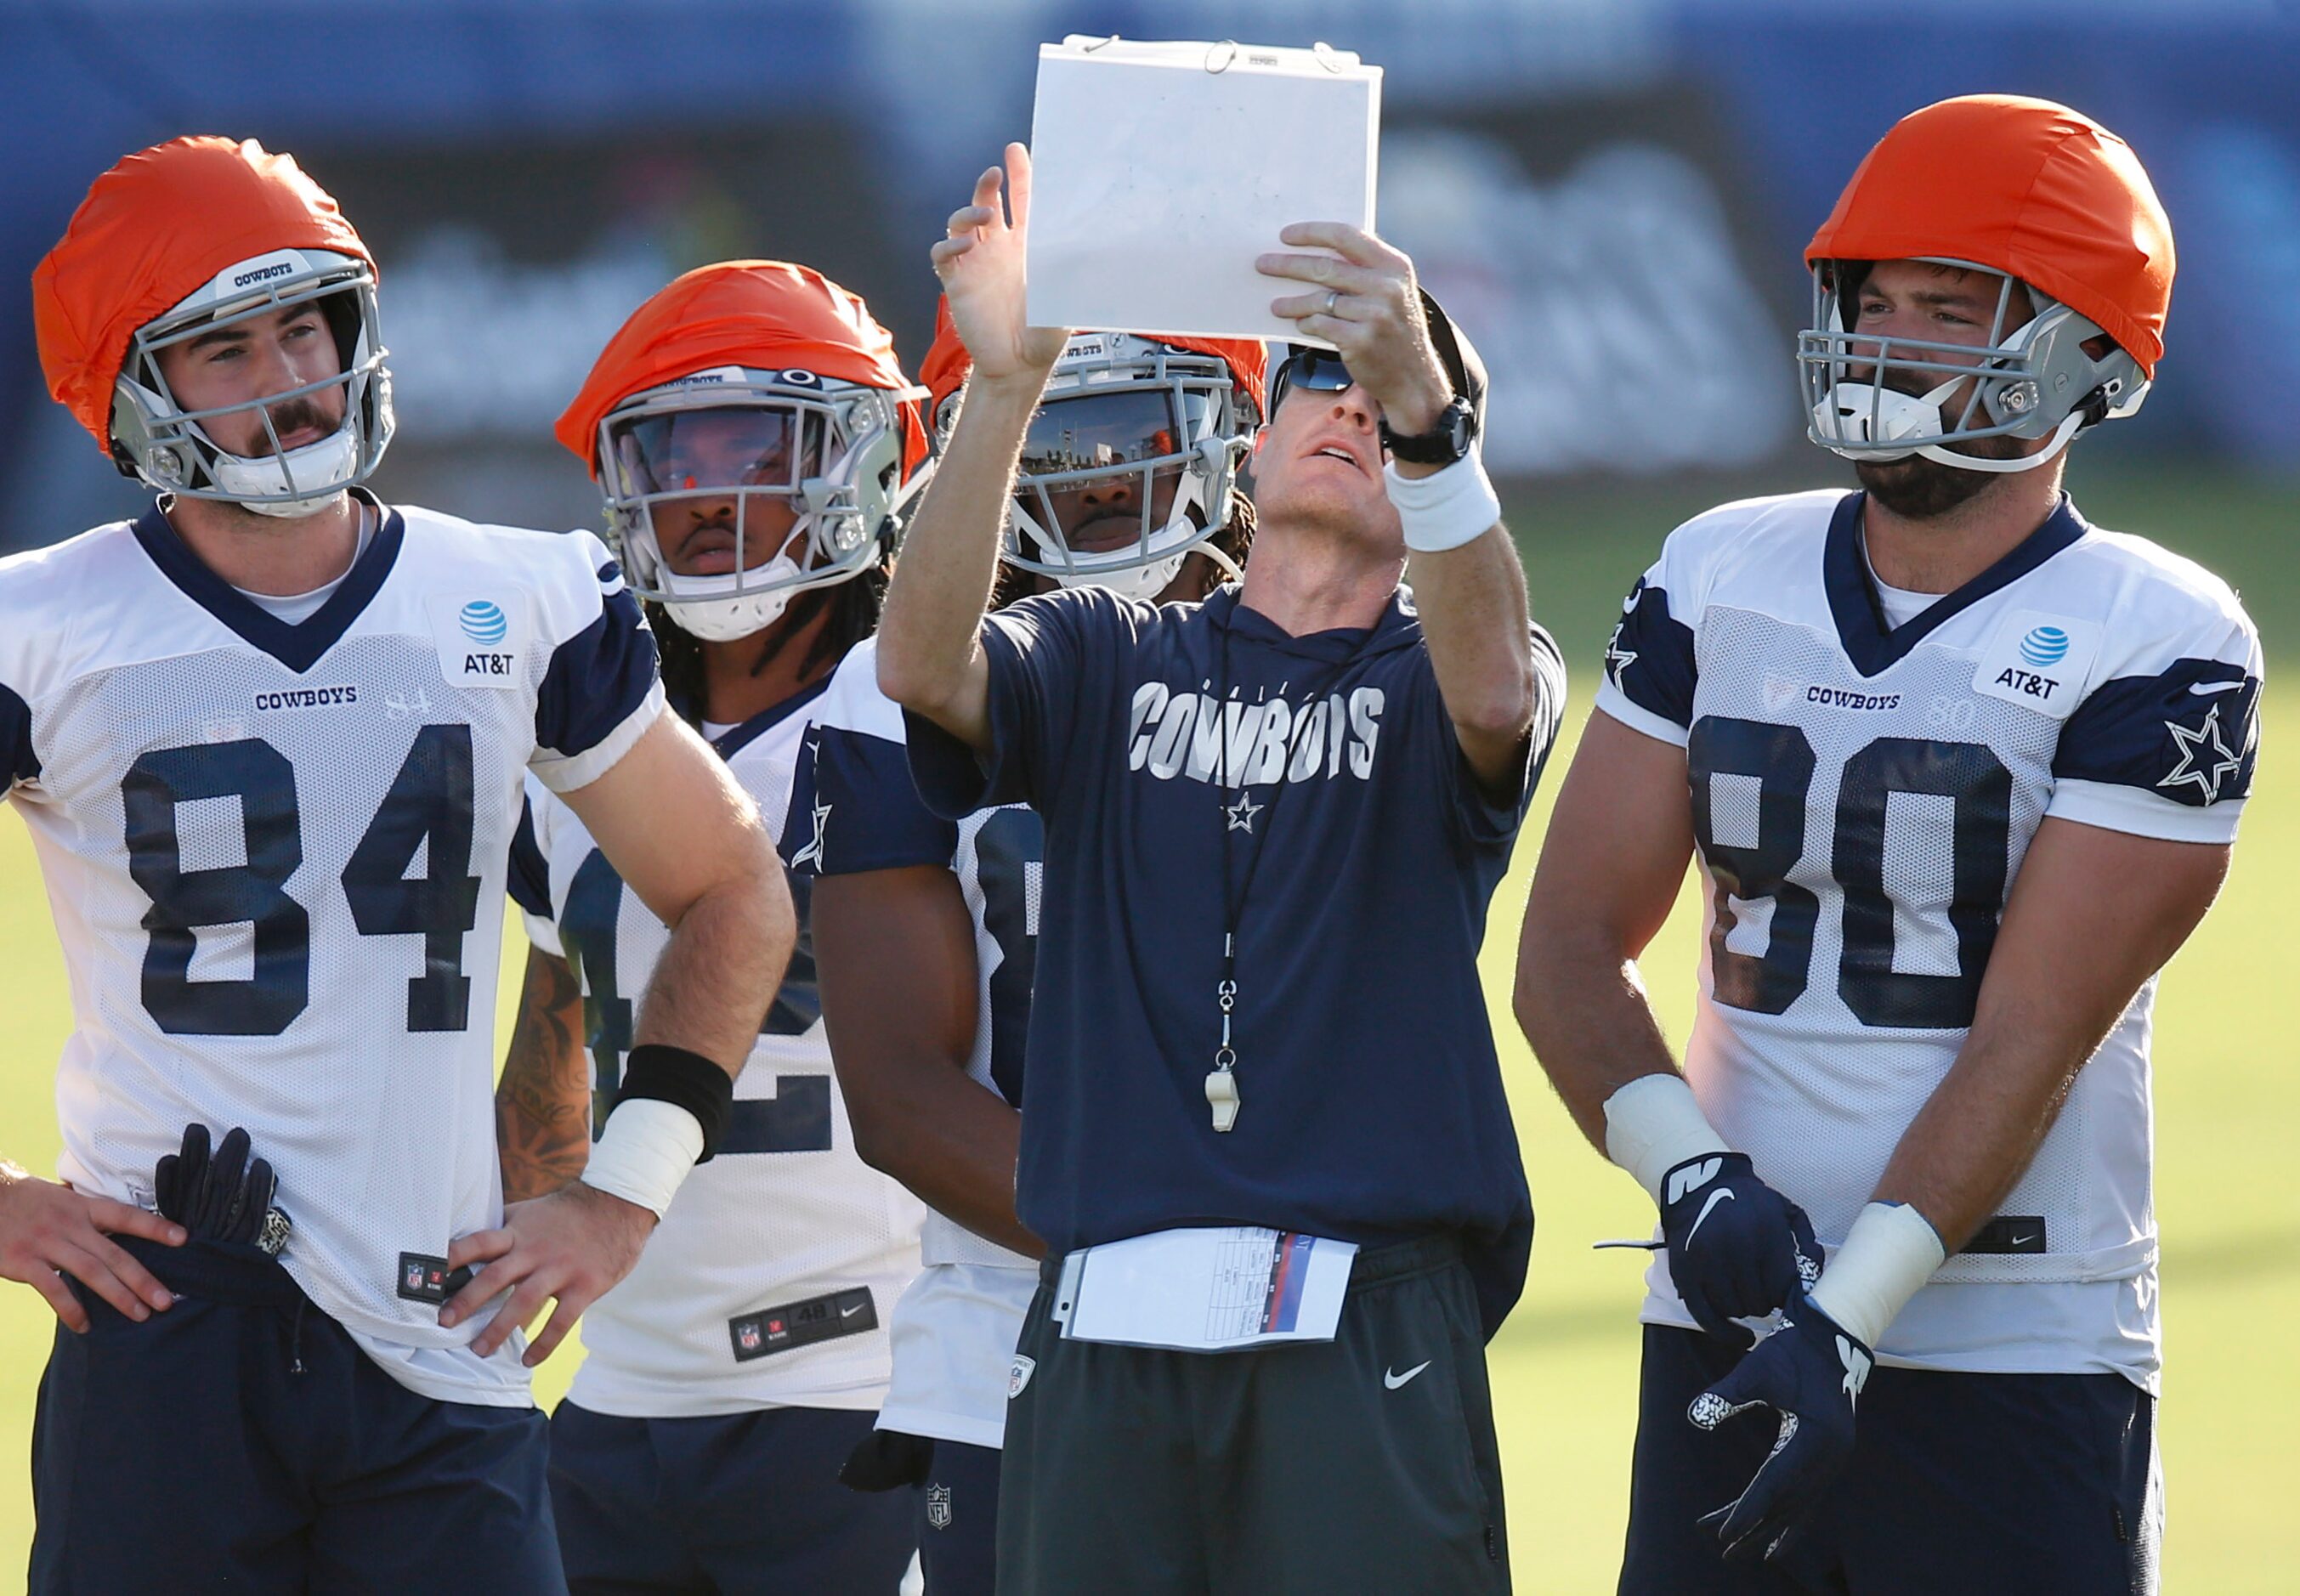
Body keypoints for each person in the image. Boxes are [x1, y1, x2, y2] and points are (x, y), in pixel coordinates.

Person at [6, 137, 792, 1592]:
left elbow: (731, 887)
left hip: (440, 1340)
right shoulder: (43, 625)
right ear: (129, 390)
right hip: (168, 1338)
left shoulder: (519, 592)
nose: (286, 376)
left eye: (302, 327)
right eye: (224, 351)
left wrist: (622, 1189)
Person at [1513, 96, 2261, 1593]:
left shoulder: (2161, 637)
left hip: (2015, 1341)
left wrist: (1845, 1316)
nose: (1889, 337)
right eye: (1873, 299)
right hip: (1728, 1322)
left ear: (2078, 343)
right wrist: (1692, 1181)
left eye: (1946, 304)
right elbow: (1567, 953)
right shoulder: (1717, 570)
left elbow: (2029, 1040)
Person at [876, 143, 1566, 1592]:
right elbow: (921, 660)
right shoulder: (1106, 651)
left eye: (1397, 397)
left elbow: (1496, 696)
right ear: (1248, 438)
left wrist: (1431, 421)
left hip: (1361, 1310)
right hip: (1106, 1317)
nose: (1357, 408)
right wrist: (1002, 389)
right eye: (1322, 378)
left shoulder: (1454, 666)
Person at [802, 297, 1264, 1593]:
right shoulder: (882, 695)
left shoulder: (1346, 650)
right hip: (1019, 1338)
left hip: (1316, 1341)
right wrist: (1178, 1258)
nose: (1099, 473)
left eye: (1130, 424)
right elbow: (900, 1097)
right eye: (1049, 433)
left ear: (1232, 431)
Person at [497, 258, 932, 1593]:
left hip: (870, 1380)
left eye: (752, 443)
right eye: (667, 454)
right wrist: (527, 1220)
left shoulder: (943, 718)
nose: (704, 492)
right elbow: (557, 1015)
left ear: (858, 460)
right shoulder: (583, 747)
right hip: (622, 1398)